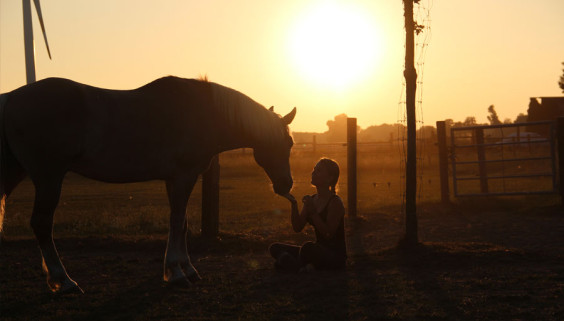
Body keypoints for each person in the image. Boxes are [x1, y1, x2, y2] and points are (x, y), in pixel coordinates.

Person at [269, 158, 347, 272]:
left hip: (334, 256)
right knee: (275, 247)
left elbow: (328, 234)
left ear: (330, 178)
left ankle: (294, 266)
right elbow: (297, 227)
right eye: (314, 169)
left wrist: (313, 212)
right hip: (316, 251)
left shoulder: (335, 202)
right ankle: (304, 266)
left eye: (319, 171)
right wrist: (294, 204)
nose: (313, 173)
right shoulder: (312, 199)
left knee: (307, 247)